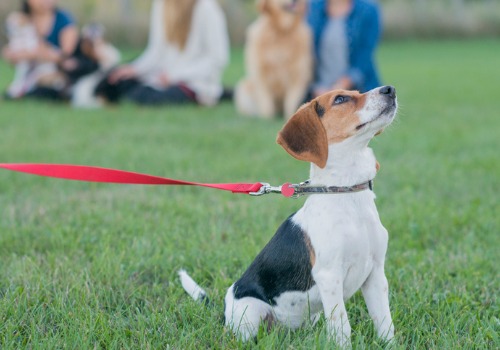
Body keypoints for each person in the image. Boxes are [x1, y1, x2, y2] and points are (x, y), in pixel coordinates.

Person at [95, 0, 230, 107]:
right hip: (161, 75)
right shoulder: (161, 4)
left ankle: (220, 94)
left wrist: (173, 76)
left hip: (194, 81)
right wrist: (134, 69)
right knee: (114, 79)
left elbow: (218, 59)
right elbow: (156, 51)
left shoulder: (206, 7)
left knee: (145, 97)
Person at [2, 0, 79, 99]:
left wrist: (31, 54)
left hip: (57, 71)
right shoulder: (20, 19)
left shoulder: (64, 19)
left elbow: (65, 54)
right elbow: (11, 52)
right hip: (29, 69)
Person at [308, 0, 382, 97]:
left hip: (359, 90)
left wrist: (338, 87)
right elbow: (303, 54)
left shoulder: (368, 10)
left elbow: (364, 57)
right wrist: (315, 88)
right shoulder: (311, 8)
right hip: (317, 91)